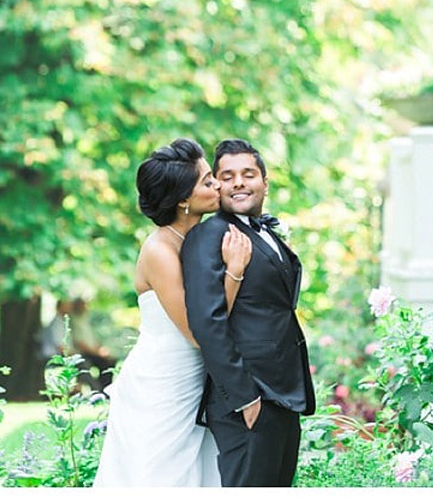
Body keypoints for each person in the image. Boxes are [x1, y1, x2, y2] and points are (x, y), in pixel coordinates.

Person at [93, 138, 252, 487]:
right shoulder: (160, 251)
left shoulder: (200, 238)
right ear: (183, 200)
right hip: (163, 384)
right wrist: (234, 273)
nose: (218, 186)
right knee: (161, 476)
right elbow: (197, 332)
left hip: (196, 381)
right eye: (208, 181)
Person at [181, 138, 316, 487]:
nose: (239, 182)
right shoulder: (207, 236)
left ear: (265, 183)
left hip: (284, 395)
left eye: (248, 174)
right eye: (227, 176)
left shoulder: (262, 231)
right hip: (249, 398)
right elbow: (207, 322)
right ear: (216, 186)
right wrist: (245, 399)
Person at [68, 297, 116, 391]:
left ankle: (106, 389)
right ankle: (99, 390)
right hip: (83, 353)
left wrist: (100, 350)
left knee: (110, 361)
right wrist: (97, 352)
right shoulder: (73, 321)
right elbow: (79, 343)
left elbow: (93, 339)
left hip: (92, 351)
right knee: (102, 362)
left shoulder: (85, 320)